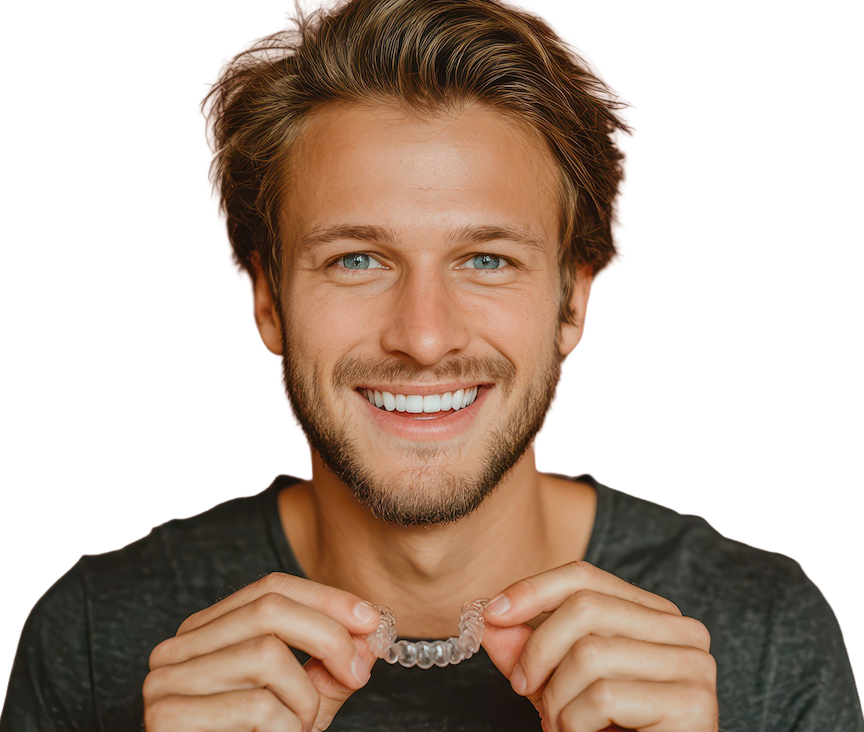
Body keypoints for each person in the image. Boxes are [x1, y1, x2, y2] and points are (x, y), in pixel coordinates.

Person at [3, 1, 861, 730]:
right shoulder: (92, 635)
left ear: (573, 303)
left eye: (486, 260)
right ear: (262, 299)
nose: (422, 337)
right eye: (356, 260)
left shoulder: (763, 632)